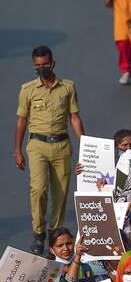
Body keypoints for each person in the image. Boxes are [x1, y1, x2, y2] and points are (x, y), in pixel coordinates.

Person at [15, 46, 84, 254]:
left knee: (61, 192)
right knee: (38, 189)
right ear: (34, 65)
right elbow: (21, 120)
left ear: (53, 63)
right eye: (38, 65)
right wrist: (17, 150)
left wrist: (86, 144)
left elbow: (74, 117)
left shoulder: (67, 87)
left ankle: (55, 235)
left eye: (45, 64)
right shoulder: (27, 89)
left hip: (61, 145)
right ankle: (38, 234)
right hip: (37, 145)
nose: (42, 68)